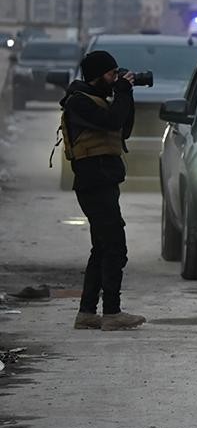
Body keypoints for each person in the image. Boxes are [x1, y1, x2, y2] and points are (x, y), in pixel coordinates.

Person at [59, 50, 145, 331]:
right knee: (115, 247)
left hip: (105, 180)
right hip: (93, 182)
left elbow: (123, 129)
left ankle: (86, 312)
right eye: (111, 74)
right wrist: (121, 91)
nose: (115, 78)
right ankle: (111, 312)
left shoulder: (100, 99)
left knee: (102, 247)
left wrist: (126, 94)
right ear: (98, 76)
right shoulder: (79, 103)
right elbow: (110, 122)